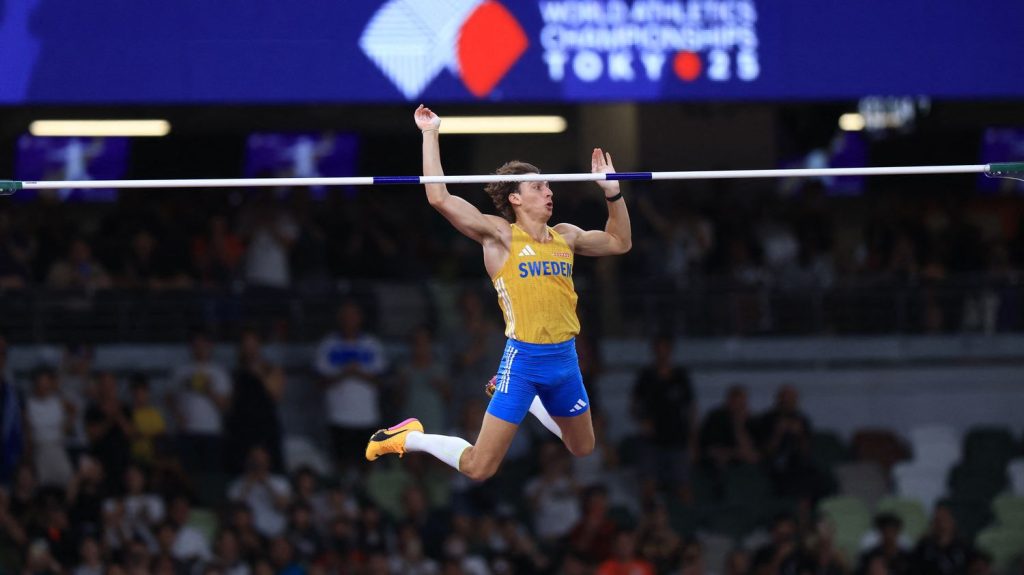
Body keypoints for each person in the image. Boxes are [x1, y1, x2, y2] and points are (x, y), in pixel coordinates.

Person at [366, 105, 632, 482]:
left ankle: (535, 404)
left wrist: (613, 193)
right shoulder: (500, 236)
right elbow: (439, 197)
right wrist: (430, 133)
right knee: (479, 467)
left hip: (565, 359)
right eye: (537, 187)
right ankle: (409, 437)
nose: (549, 191)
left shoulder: (566, 236)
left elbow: (620, 242)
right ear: (515, 199)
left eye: (548, 185)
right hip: (523, 362)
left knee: (583, 446)